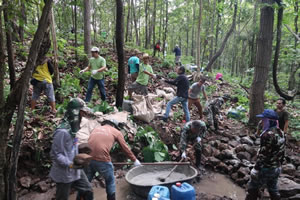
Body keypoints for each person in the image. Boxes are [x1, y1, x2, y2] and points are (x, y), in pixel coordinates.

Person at [49, 98, 94, 200]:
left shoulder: (73, 129)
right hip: (64, 172)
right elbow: (56, 154)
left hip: (76, 169)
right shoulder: (62, 131)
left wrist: (80, 151)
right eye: (81, 113)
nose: (83, 117)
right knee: (62, 197)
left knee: (88, 190)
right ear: (75, 113)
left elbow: (72, 146)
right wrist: (70, 164)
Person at [84, 124, 141, 200]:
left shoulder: (96, 129)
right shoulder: (116, 132)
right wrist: (135, 160)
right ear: (114, 126)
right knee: (110, 181)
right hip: (102, 159)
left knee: (85, 181)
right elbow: (125, 148)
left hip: (87, 157)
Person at [245, 109, 285, 200]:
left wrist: (256, 169)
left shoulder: (267, 135)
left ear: (268, 121)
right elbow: (282, 152)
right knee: (273, 189)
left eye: (263, 120)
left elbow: (263, 155)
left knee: (253, 188)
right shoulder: (281, 132)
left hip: (266, 168)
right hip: (277, 167)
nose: (262, 122)